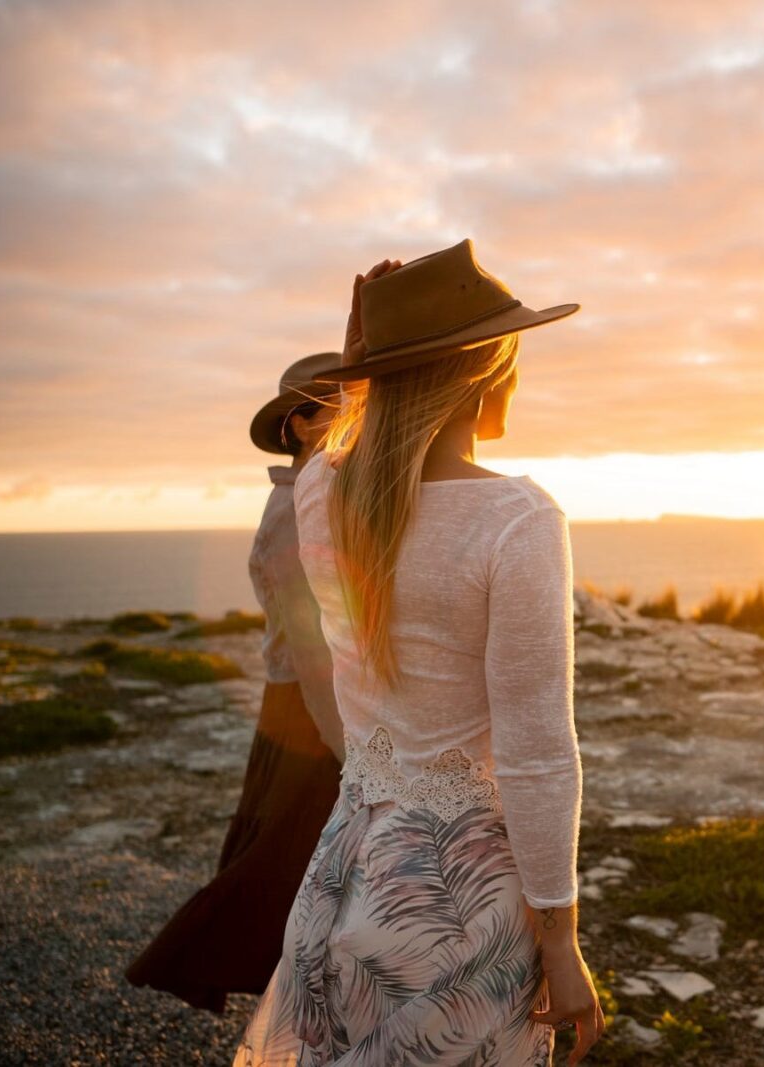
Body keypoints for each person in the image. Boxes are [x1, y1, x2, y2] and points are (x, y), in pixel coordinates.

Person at [233, 241, 602, 1066]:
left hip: (344, 877)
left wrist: (362, 362)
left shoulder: (325, 496)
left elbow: (336, 450)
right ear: (485, 369)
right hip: (457, 901)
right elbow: (538, 750)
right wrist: (561, 939)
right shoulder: (517, 519)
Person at [126, 352, 348, 1014]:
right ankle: (205, 962)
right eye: (344, 409)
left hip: (309, 700)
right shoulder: (299, 508)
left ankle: (317, 1000)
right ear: (302, 424)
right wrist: (346, 744)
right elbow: (311, 647)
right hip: (311, 706)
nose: (363, 422)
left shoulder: (315, 495)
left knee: (301, 858)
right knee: (290, 860)